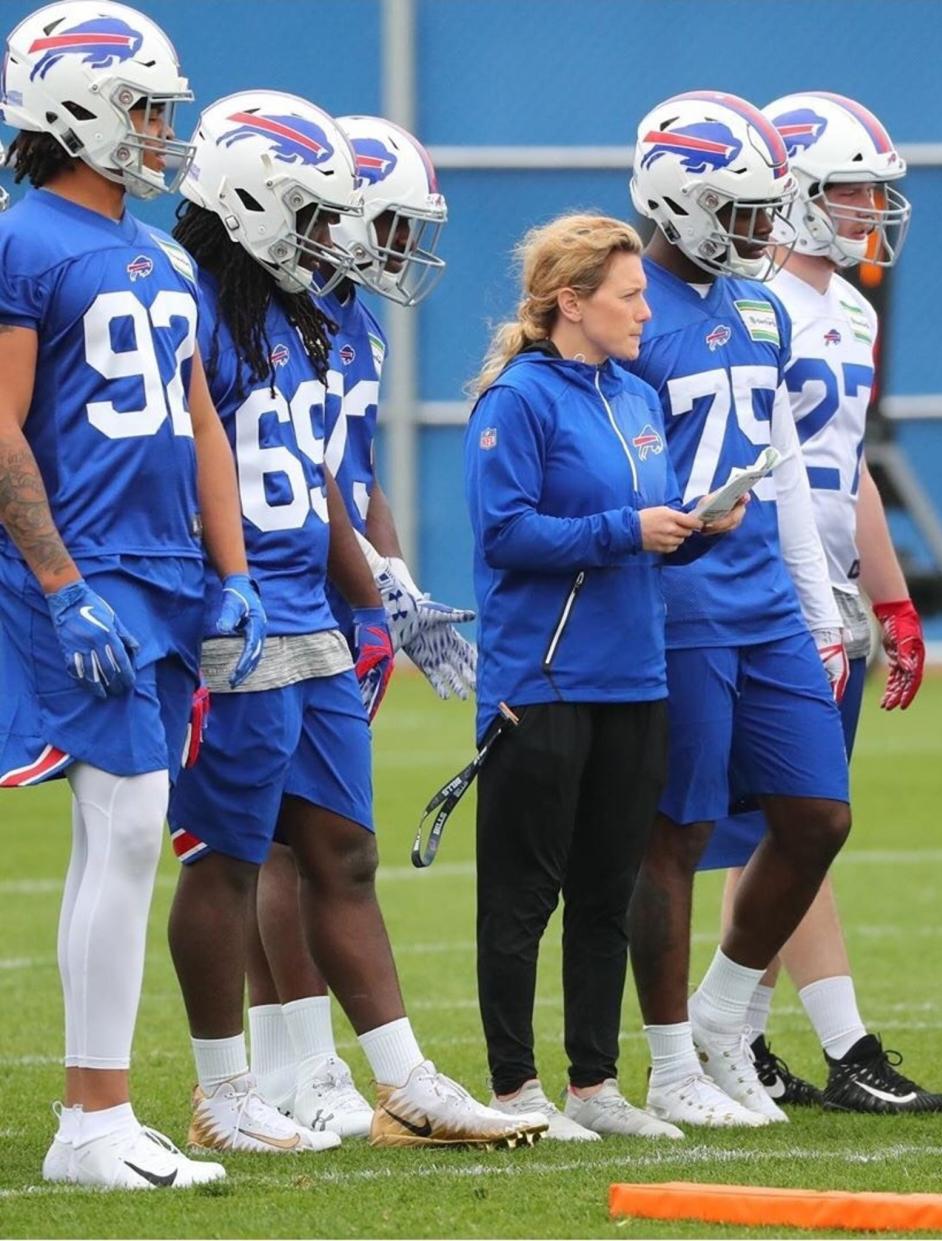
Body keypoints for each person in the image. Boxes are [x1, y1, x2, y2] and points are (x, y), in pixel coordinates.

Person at [164, 89, 542, 1154]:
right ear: (256, 201)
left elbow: (327, 475)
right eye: (320, 213)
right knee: (229, 856)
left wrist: (380, 586)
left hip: (312, 609)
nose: (337, 238)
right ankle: (227, 1086)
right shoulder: (190, 300)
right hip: (230, 611)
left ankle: (403, 1076)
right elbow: (172, 464)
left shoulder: (305, 311)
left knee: (342, 847)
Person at [0, 0, 265, 1188]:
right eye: (144, 107)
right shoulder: (26, 238)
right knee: (122, 821)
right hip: (84, 568)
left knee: (129, 829)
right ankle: (92, 1118)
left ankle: (93, 1113)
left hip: (162, 577)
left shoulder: (161, 255)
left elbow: (204, 419)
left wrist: (235, 571)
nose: (161, 132)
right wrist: (58, 581)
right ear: (73, 107)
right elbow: (1, 423)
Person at [696, 89, 942, 1115]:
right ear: (794, 188)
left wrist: (890, 604)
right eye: (851, 191)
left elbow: (845, 471)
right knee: (797, 819)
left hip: (830, 593)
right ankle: (839, 1044)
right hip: (763, 597)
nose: (867, 212)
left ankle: (744, 1042)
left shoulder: (847, 309)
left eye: (875, 194)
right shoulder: (754, 302)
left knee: (787, 824)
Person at [465, 213, 744, 1140]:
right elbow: (504, 532)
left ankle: (595, 1084)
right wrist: (631, 529)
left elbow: (637, 543)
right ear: (570, 302)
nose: (643, 310)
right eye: (629, 296)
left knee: (606, 891)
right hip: (543, 679)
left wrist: (695, 533)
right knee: (520, 897)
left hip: (635, 677)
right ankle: (515, 1089)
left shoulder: (634, 394)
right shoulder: (518, 398)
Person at [241, 114, 477, 1140]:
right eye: (384, 224)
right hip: (276, 592)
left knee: (314, 839)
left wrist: (397, 586)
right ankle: (297, 1061)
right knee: (268, 840)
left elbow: (358, 478)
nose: (395, 249)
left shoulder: (355, 325)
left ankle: (300, 1061)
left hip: (341, 595)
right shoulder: (268, 313)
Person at [624, 90, 853, 1128]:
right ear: (680, 197)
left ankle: (722, 1018)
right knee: (675, 832)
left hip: (763, 597)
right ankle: (672, 1062)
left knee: (817, 813)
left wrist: (821, 606)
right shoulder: (626, 304)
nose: (761, 230)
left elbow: (789, 465)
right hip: (680, 601)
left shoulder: (757, 307)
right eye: (743, 209)